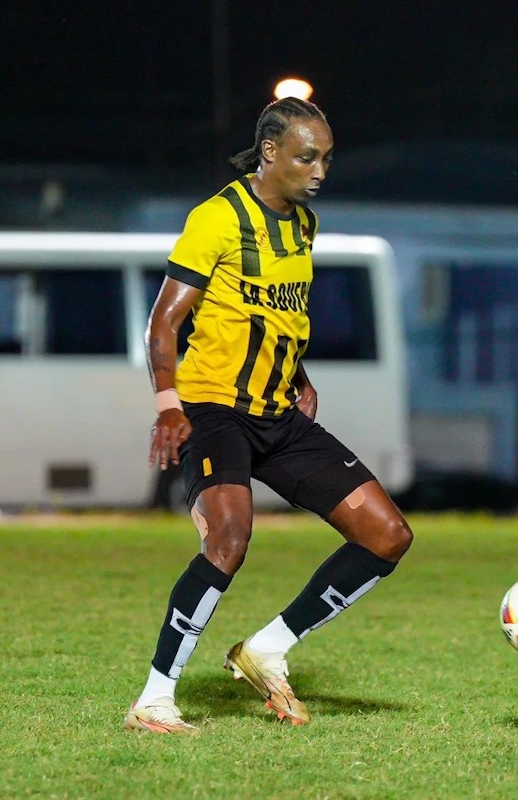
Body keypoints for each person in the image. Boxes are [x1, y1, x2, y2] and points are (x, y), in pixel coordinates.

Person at [124, 97, 414, 733]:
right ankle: (154, 697)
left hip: (278, 414)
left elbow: (277, 312)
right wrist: (168, 405)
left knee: (387, 535)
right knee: (229, 538)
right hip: (211, 408)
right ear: (271, 153)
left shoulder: (303, 225)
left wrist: (300, 373)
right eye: (307, 156)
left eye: (328, 158)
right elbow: (163, 323)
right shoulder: (218, 218)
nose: (319, 170)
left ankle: (268, 649)